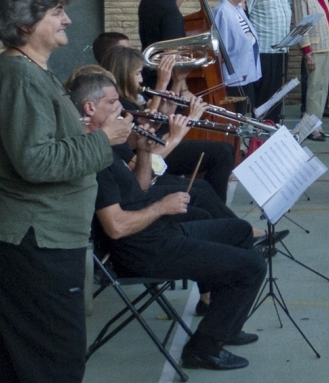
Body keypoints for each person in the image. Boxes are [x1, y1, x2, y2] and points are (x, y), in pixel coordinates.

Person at [0, 0, 131, 383]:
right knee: (55, 363)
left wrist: (82, 133)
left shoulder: (31, 70)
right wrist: (103, 140)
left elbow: (39, 142)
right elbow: (35, 161)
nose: (68, 21)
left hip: (38, 236)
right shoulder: (20, 76)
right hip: (32, 239)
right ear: (27, 23)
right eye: (57, 12)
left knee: (24, 358)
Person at [70, 74, 268, 371]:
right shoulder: (95, 157)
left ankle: (223, 324)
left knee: (239, 231)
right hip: (142, 251)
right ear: (89, 108)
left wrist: (145, 152)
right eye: (112, 103)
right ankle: (203, 349)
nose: (120, 109)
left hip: (157, 234)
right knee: (253, 267)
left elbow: (140, 191)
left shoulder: (109, 144)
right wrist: (162, 207)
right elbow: (116, 226)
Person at [102, 46, 236, 202]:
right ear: (124, 75)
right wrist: (162, 83)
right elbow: (145, 132)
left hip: (157, 145)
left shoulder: (135, 96)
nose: (141, 79)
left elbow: (154, 124)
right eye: (137, 73)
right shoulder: (121, 105)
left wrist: (177, 81)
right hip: (151, 155)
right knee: (221, 154)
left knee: (223, 153)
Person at [246, 0, 292, 123]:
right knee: (266, 96)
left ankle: (273, 127)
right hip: (265, 50)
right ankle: (262, 130)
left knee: (278, 94)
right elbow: (245, 12)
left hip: (282, 49)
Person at [293, 0, 329, 139]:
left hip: (325, 47)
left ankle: (317, 124)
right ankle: (309, 128)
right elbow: (302, 25)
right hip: (314, 49)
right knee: (314, 89)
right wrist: (307, 52)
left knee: (323, 88)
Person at [211, 0, 262, 111]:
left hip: (246, 72)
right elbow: (222, 47)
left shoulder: (237, 8)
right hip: (234, 74)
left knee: (247, 110)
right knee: (238, 114)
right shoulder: (222, 11)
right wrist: (249, 39)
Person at [138, 0, 190, 88]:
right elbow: (172, 56)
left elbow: (173, 3)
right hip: (166, 84)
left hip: (148, 75)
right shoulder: (171, 14)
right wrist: (183, 89)